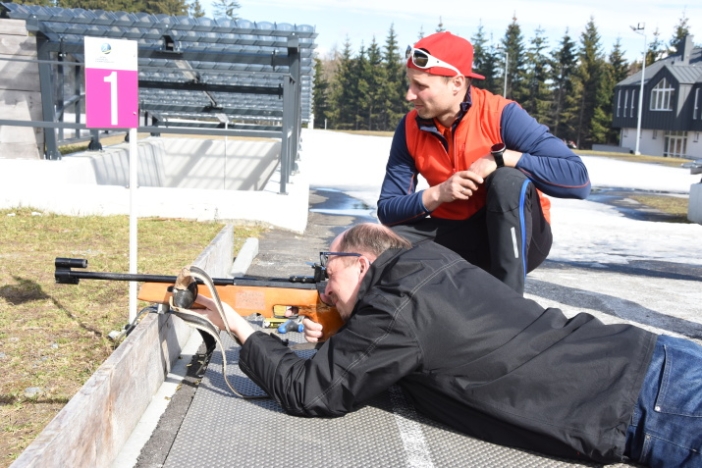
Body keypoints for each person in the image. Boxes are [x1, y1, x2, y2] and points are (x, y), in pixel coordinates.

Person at [195, 223, 702, 467]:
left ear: (362, 263)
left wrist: (236, 323)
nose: (323, 287)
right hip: (656, 368)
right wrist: (340, 335)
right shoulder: (429, 265)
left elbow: (312, 392)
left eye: (329, 270)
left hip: (655, 407)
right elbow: (424, 345)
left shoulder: (396, 307)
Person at [377, 31, 591, 294]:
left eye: (420, 86)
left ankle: (510, 308)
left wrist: (503, 158)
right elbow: (388, 210)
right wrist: (439, 193)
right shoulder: (409, 127)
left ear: (456, 83)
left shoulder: (502, 114)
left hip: (521, 241)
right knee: (374, 244)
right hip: (457, 236)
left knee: (507, 179)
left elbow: (578, 180)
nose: (410, 95)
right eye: (410, 84)